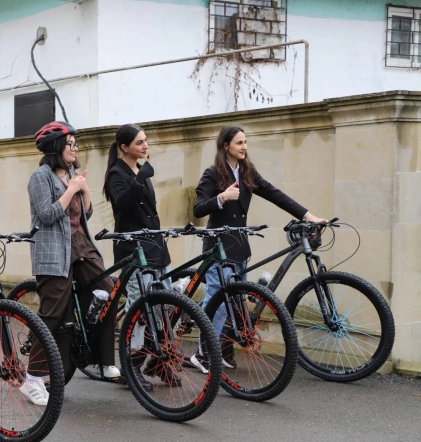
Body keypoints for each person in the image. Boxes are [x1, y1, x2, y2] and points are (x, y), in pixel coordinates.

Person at [190, 124, 325, 372]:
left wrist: (309, 216)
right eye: (239, 142)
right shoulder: (213, 173)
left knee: (235, 302)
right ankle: (203, 353)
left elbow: (276, 194)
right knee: (218, 302)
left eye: (245, 142)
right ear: (226, 146)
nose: (244, 147)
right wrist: (221, 198)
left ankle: (224, 351)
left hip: (240, 246)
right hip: (218, 248)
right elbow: (198, 208)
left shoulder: (247, 172)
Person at [25, 121, 120, 405]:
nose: (75, 149)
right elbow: (46, 214)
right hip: (54, 250)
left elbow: (84, 215)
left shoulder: (71, 174)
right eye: (70, 144)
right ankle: (32, 379)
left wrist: (84, 189)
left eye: (76, 144)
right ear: (56, 146)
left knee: (108, 291)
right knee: (55, 313)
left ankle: (101, 360)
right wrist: (70, 190)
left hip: (80, 244)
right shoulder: (40, 177)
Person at [102, 123, 177, 388]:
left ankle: (160, 362)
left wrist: (142, 174)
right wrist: (140, 176)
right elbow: (121, 203)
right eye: (139, 142)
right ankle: (130, 368)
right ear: (124, 147)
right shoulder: (116, 173)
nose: (145, 146)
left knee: (167, 306)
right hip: (133, 250)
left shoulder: (140, 171)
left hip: (156, 247)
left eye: (146, 141)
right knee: (140, 310)